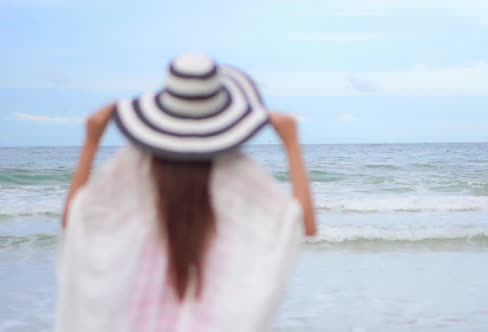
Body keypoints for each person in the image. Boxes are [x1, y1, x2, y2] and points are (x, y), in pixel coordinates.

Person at [56, 54, 316, 332]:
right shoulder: (234, 170)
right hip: (213, 316)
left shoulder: (136, 164)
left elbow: (75, 219)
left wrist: (91, 142)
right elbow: (304, 225)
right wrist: (291, 143)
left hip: (139, 315)